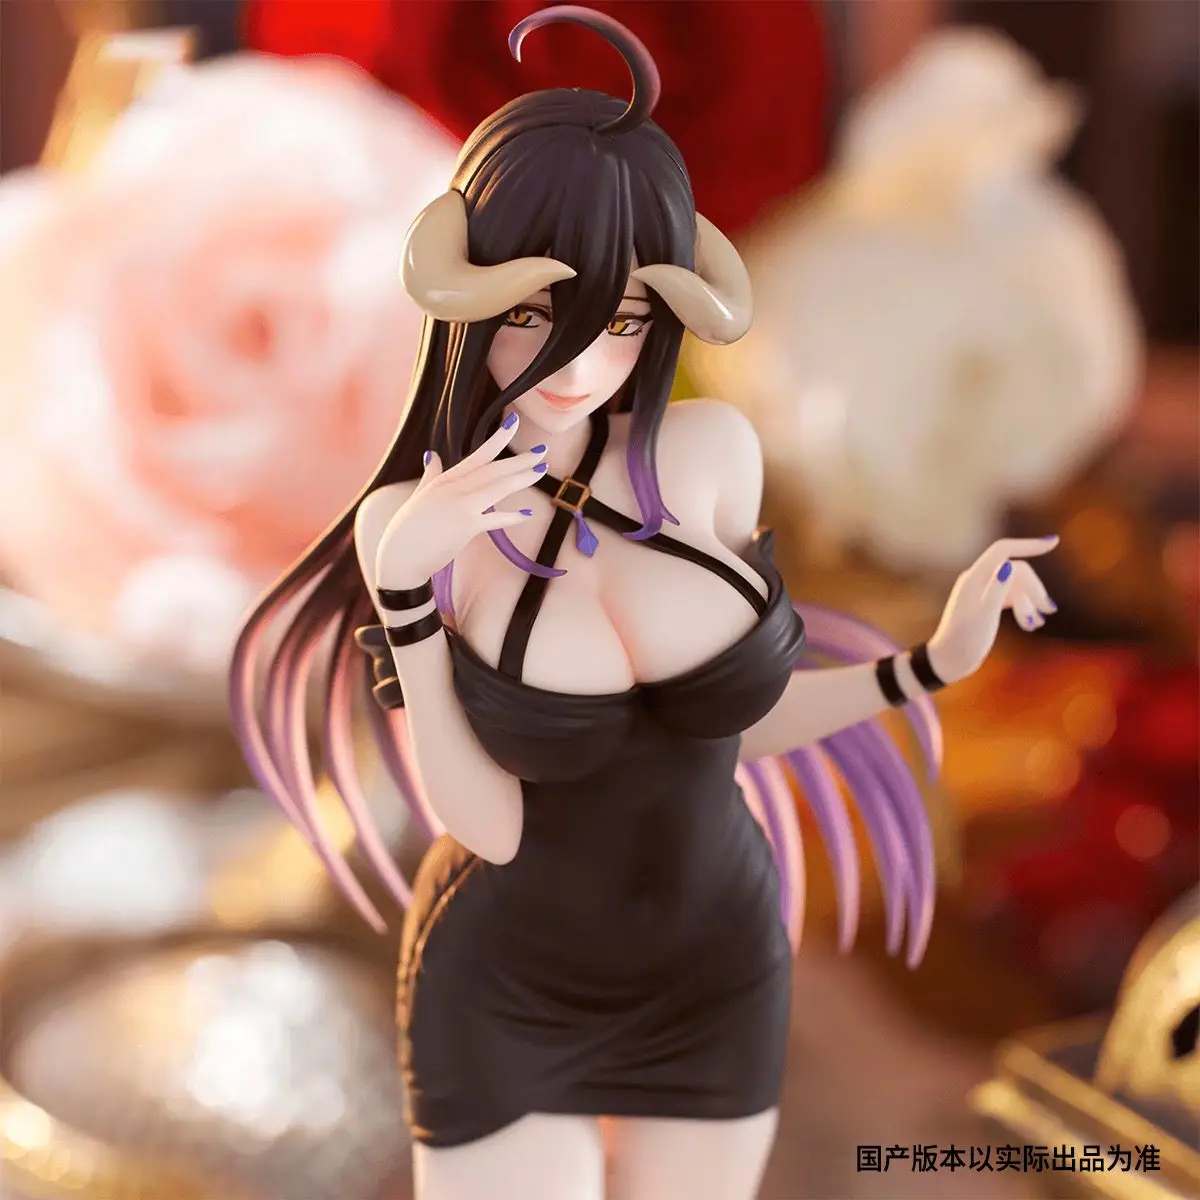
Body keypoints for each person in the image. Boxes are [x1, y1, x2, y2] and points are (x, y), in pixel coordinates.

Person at [229, 8, 1057, 1199]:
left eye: (619, 321)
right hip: (509, 981)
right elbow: (488, 825)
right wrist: (407, 598)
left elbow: (727, 731)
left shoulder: (712, 456)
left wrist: (929, 664)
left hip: (715, 968)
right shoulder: (414, 526)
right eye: (532, 315)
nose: (576, 365)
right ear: (472, 308)